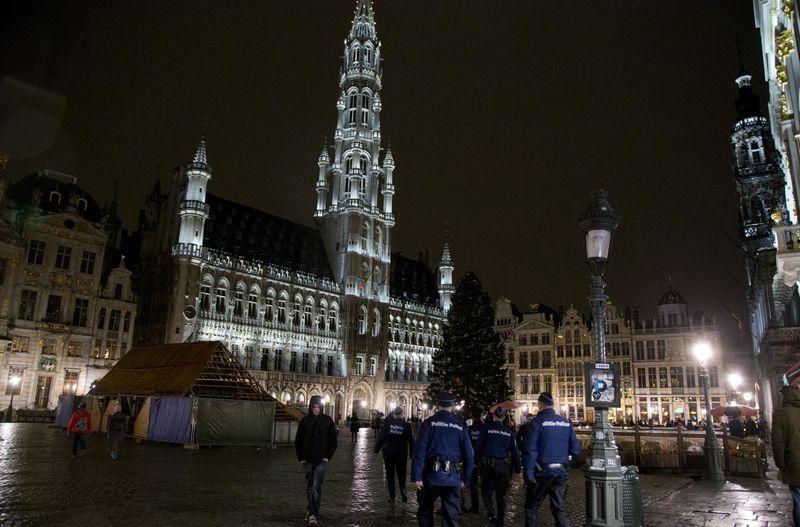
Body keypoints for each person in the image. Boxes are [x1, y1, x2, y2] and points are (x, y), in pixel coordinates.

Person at [411, 391, 474, 527]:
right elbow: (469, 455)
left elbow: (419, 451)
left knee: (425, 513)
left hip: (431, 476)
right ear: (452, 406)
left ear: (438, 405)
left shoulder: (428, 423)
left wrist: (417, 477)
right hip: (452, 477)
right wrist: (466, 479)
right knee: (451, 518)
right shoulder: (460, 426)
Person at [523, 392, 581, 527]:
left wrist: (529, 473)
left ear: (539, 405)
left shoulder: (536, 423)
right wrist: (566, 461)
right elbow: (576, 448)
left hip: (542, 471)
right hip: (561, 470)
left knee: (532, 506)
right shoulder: (565, 423)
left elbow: (530, 450)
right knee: (559, 507)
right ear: (552, 405)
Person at [295, 395, 338, 526]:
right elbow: (298, 441)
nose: (316, 410)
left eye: (318, 407)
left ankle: (314, 514)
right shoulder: (305, 421)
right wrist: (301, 459)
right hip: (307, 460)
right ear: (310, 407)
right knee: (309, 487)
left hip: (321, 460)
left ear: (321, 407)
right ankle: (310, 510)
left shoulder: (327, 421)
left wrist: (327, 457)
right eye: (313, 407)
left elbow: (333, 441)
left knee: (315, 486)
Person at [474, 407, 521, 526]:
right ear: (504, 417)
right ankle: (500, 519)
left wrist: (475, 462)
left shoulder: (486, 429)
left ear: (493, 415)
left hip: (488, 465)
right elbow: (515, 452)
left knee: (486, 492)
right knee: (501, 495)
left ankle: (491, 514)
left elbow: (479, 448)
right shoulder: (508, 432)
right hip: (503, 466)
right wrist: (518, 469)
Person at [773, 384, 800, 527]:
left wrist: (780, 463)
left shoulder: (781, 414)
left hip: (794, 463)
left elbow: (778, 442)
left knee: (798, 498)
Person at [375, 406, 414, 502]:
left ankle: (392, 496)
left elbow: (382, 437)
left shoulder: (388, 424)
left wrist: (377, 449)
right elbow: (411, 441)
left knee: (390, 474)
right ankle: (403, 491)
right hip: (401, 452)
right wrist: (412, 454)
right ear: (402, 414)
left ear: (393, 414)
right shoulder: (406, 425)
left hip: (389, 452)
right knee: (402, 473)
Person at [466, 411, 484, 513]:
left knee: (473, 483)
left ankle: (475, 505)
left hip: (473, 458)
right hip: (484, 458)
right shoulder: (485, 428)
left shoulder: (470, 429)